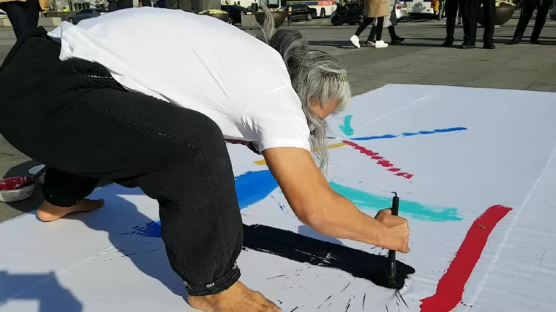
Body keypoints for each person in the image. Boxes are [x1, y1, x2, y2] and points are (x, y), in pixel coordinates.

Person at [0, 7, 410, 311]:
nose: (306, 135)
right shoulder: (274, 95)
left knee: (136, 118)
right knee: (195, 144)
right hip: (50, 98)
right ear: (306, 96)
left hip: (33, 77)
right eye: (313, 124)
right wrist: (381, 234)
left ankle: (59, 200)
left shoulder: (247, 60)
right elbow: (314, 207)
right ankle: (213, 288)